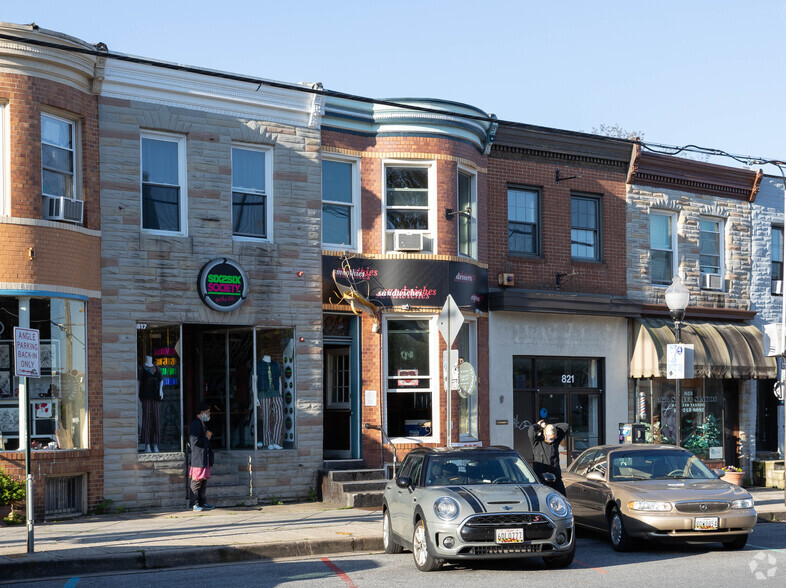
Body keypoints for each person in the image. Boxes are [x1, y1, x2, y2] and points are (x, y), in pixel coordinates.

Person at [528, 419, 570, 495]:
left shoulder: (555, 442)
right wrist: (539, 426)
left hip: (555, 477)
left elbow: (565, 426)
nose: (551, 440)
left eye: (553, 438)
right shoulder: (537, 442)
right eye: (550, 438)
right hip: (541, 477)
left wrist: (550, 426)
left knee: (563, 497)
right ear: (545, 434)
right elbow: (531, 431)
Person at [189, 402, 215, 512]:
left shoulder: (203, 424)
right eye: (207, 411)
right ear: (201, 412)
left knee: (203, 481)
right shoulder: (196, 424)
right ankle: (193, 503)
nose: (209, 414)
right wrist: (206, 439)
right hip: (198, 458)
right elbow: (194, 441)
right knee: (196, 481)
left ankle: (202, 501)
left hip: (205, 457)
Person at [255, 354, 283, 449]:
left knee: (279, 417)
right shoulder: (257, 365)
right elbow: (254, 380)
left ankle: (276, 441)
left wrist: (280, 394)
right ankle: (268, 442)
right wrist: (255, 397)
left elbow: (279, 380)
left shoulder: (276, 365)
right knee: (266, 418)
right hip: (263, 393)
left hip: (276, 393)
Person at [138, 356, 163, 453]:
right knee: (146, 420)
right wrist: (137, 395)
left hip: (156, 397)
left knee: (156, 420)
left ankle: (156, 444)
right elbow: (138, 382)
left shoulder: (157, 368)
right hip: (145, 396)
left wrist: (161, 390)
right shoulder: (142, 368)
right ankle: (147, 444)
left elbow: (161, 380)